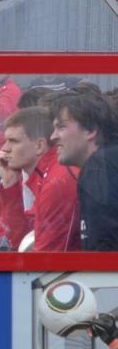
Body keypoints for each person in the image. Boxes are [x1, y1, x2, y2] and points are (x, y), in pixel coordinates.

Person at [0, 106, 81, 252]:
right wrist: (10, 184)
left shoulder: (57, 180)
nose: (4, 149)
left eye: (13, 141)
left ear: (39, 145)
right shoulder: (33, 174)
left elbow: (45, 254)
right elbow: (13, 227)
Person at [48, 90, 118, 250]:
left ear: (90, 130)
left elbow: (103, 249)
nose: (53, 137)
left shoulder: (98, 167)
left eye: (61, 127)